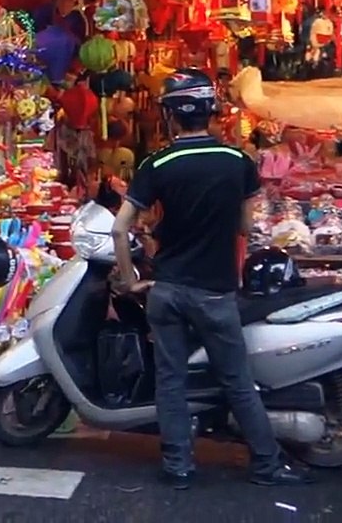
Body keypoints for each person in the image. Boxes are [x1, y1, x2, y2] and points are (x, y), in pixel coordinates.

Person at [110, 68, 311, 490]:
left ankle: (179, 466)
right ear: (211, 112)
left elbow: (119, 227)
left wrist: (130, 282)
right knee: (237, 381)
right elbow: (244, 226)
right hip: (216, 293)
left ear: (170, 116)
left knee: (171, 380)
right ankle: (266, 465)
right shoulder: (236, 161)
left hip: (167, 290)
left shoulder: (158, 163)